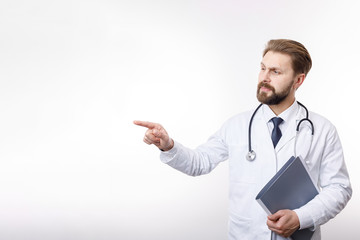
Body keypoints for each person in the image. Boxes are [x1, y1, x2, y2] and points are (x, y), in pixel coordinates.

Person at [133, 39, 352, 240]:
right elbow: (199, 163)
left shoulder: (323, 130)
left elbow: (339, 189)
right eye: (263, 68)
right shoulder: (236, 125)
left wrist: (300, 217)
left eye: (275, 71)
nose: (264, 77)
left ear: (298, 80)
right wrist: (168, 145)